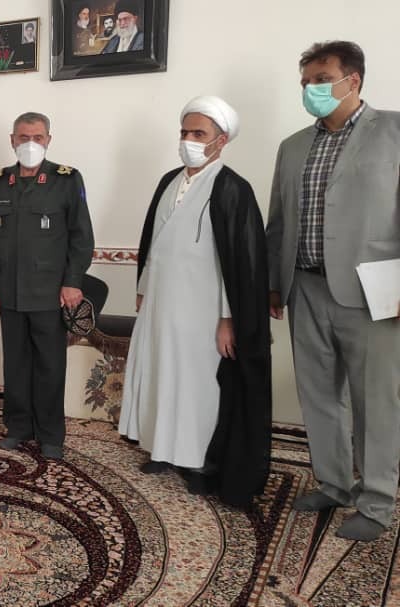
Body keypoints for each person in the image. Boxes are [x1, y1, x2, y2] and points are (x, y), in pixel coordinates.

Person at [266, 41, 400, 541]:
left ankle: (377, 502)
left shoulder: (394, 131)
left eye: (321, 80)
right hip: (305, 287)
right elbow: (278, 221)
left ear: (353, 80)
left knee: (375, 401)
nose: (311, 90)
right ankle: (334, 483)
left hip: (375, 292)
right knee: (319, 394)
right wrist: (274, 284)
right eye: (305, 82)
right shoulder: (292, 146)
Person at [119, 96, 272, 506]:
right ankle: (161, 449)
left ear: (221, 140)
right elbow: (153, 243)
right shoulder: (169, 181)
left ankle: (200, 461)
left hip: (204, 312)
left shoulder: (232, 188)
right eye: (184, 132)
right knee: (160, 374)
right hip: (161, 304)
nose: (188, 140)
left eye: (198, 133)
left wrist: (228, 319)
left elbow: (239, 264)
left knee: (198, 386)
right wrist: (142, 289)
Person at [0, 112, 95, 459]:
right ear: (12, 139)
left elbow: (81, 237)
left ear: (48, 140)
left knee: (49, 365)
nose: (30, 143)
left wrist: (73, 282)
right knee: (15, 364)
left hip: (50, 293)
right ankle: (18, 427)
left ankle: (50, 434)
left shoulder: (66, 180)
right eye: (24, 137)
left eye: (38, 137)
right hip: (11, 292)